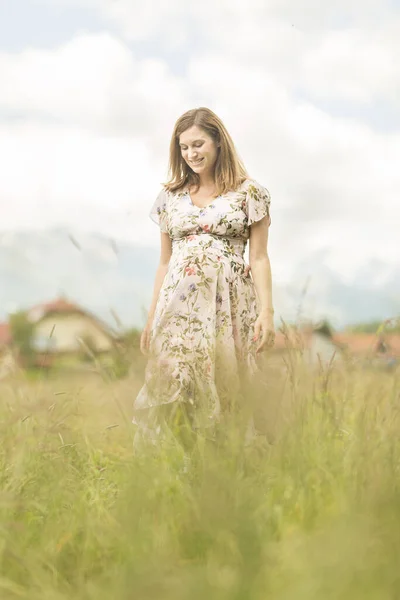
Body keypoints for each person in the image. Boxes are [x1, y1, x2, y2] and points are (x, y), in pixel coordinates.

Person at [133, 107, 275, 446]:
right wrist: (152, 319)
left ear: (218, 143)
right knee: (174, 385)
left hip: (228, 307)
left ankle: (222, 472)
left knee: (227, 386)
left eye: (198, 144)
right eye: (183, 147)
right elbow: (165, 262)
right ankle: (177, 470)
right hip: (177, 310)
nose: (191, 154)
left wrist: (266, 312)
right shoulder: (171, 197)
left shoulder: (248, 193)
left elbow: (259, 257)